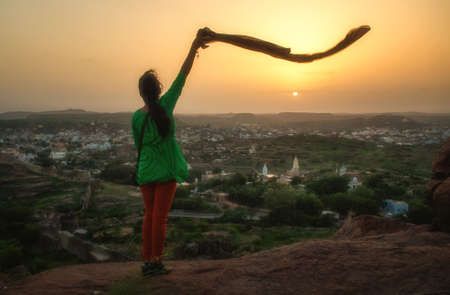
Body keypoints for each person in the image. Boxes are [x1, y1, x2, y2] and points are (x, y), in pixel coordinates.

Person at [131, 28, 214, 277]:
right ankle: (156, 262)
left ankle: (148, 261)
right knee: (160, 218)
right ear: (158, 90)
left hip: (146, 170)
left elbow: (139, 146)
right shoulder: (166, 105)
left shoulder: (136, 116)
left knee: (149, 216)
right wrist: (195, 46)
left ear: (141, 92)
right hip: (166, 170)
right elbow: (183, 74)